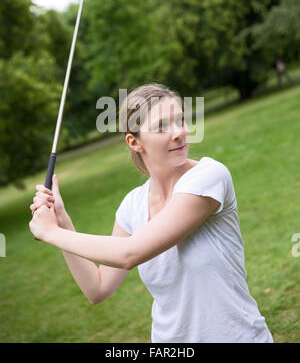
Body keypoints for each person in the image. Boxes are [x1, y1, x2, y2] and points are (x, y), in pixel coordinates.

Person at [29, 82, 274, 343]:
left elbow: (129, 254)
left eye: (180, 120)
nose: (179, 132)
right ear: (134, 142)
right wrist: (63, 222)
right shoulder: (132, 206)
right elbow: (97, 288)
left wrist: (50, 232)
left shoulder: (209, 177)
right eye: (161, 126)